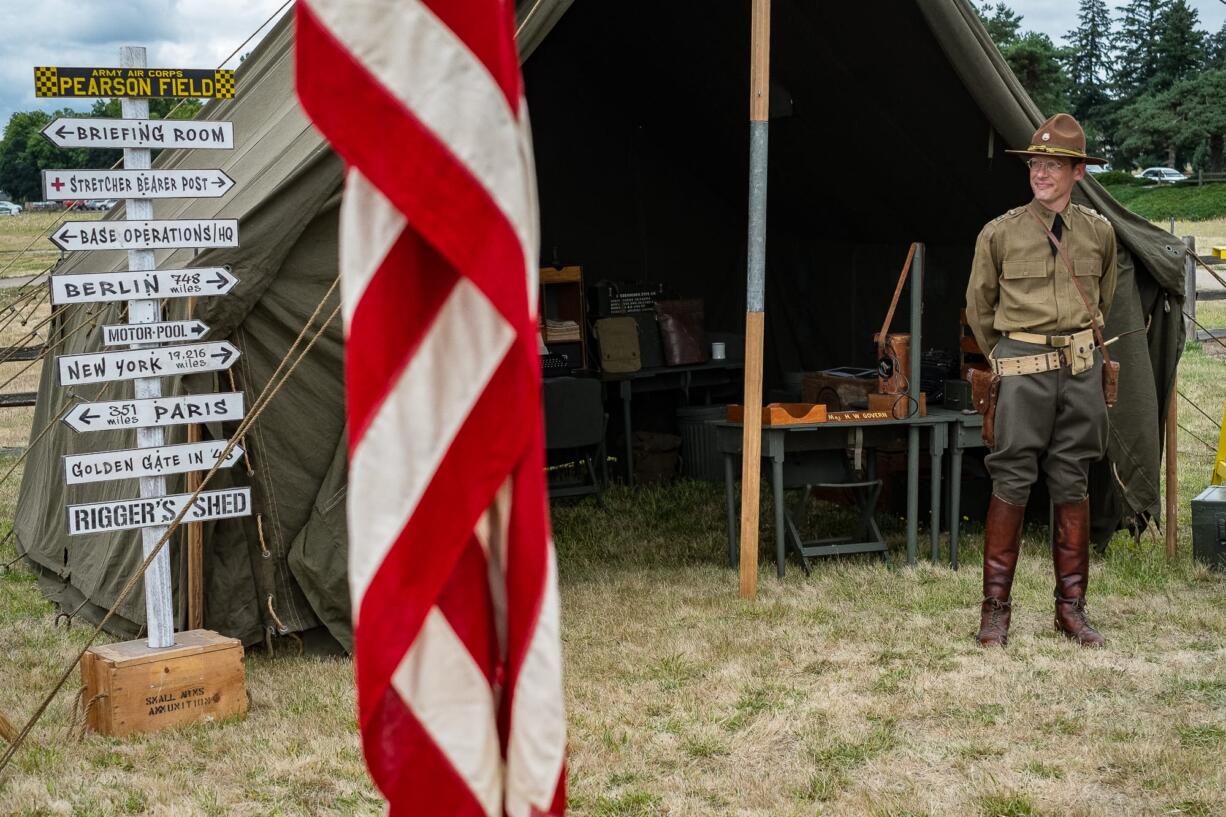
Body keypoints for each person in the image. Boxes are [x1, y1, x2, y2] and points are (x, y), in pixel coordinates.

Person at [965, 113, 1118, 649]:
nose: (1041, 173)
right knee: (1010, 481)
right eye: (1036, 163)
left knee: (1072, 479)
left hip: (1081, 371)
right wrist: (1009, 358)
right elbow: (978, 310)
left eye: (1054, 165)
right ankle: (995, 611)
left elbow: (1104, 301)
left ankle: (1071, 611)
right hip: (1023, 371)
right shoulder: (1000, 233)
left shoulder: (1100, 233)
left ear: (1078, 172)